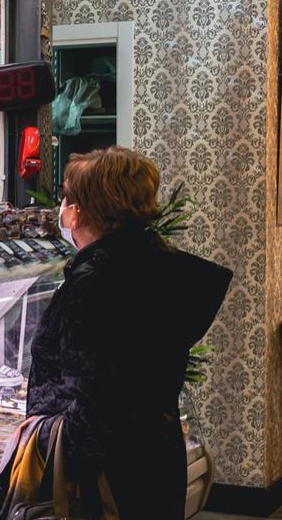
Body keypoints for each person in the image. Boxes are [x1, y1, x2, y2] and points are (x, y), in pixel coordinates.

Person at [24, 147, 230, 516]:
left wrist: (70, 464)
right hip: (154, 456)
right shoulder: (156, 264)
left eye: (68, 197)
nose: (63, 207)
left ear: (82, 211)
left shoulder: (96, 284)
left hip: (107, 478)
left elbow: (93, 400)